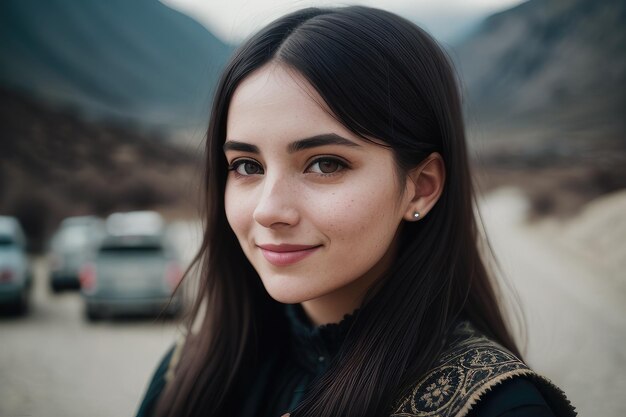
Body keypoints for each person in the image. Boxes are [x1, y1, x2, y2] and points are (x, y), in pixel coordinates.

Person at [137, 6, 576, 417]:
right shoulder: (187, 373)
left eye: (325, 164)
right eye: (247, 166)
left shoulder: (497, 407)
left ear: (421, 188)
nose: (269, 210)